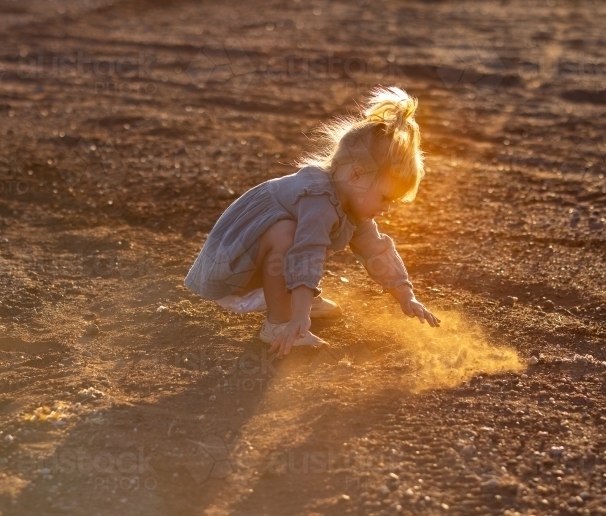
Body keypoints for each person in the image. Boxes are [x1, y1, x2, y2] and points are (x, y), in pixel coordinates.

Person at [184, 86, 440, 356]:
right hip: (230, 264)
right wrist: (301, 316)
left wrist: (405, 294)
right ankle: (281, 323)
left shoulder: (352, 202)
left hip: (257, 260)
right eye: (385, 198)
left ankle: (296, 303)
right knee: (288, 233)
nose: (386, 209)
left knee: (295, 236)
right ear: (356, 176)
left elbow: (375, 249)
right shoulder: (318, 198)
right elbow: (307, 254)